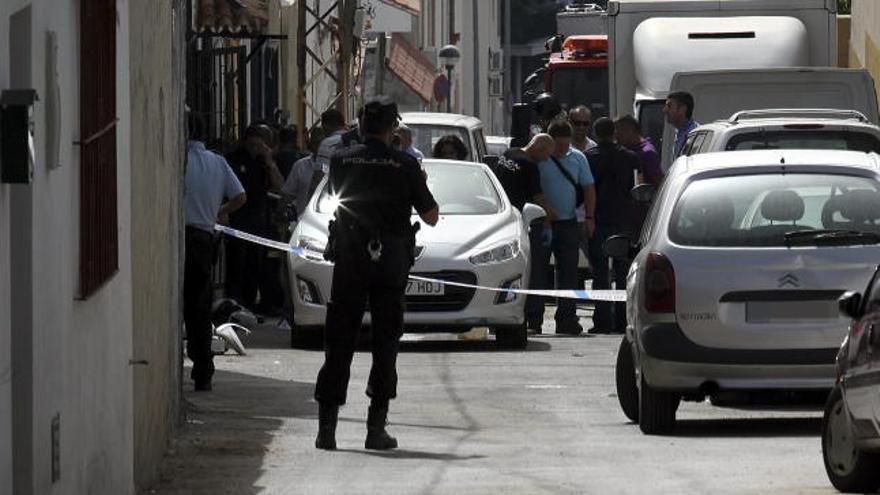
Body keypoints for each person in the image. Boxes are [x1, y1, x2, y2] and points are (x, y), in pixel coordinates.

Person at [314, 96, 439, 451]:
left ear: (360, 124)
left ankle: (327, 430)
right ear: (392, 127)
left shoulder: (341, 159)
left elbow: (334, 197)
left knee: (339, 340)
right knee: (385, 342)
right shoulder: (405, 164)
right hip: (390, 260)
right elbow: (430, 215)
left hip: (351, 257)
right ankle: (375, 428)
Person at [184, 113, 246, 391]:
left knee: (177, 304)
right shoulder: (217, 162)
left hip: (181, 235)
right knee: (199, 307)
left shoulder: (179, 161)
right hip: (204, 237)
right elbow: (240, 196)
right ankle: (203, 371)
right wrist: (219, 212)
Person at [526, 121, 597, 335]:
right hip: (541, 224)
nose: (562, 150)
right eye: (558, 146)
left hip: (568, 224)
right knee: (537, 272)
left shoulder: (578, 158)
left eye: (566, 146)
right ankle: (533, 319)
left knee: (569, 273)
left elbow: (588, 188)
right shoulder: (537, 160)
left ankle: (567, 319)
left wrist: (590, 217)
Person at [585, 117, 643, 334]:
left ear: (596, 134)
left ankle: (602, 322)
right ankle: (622, 321)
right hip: (623, 221)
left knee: (600, 273)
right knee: (623, 273)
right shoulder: (631, 158)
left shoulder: (589, 158)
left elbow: (584, 189)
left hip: (599, 220)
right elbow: (638, 189)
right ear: (614, 133)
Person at [224, 124, 285, 310]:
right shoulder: (233, 158)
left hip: (258, 220)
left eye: (259, 146)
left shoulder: (264, 161)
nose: (255, 149)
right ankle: (234, 302)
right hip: (237, 218)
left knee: (254, 263)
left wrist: (269, 162)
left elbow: (279, 187)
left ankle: (249, 303)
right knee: (236, 263)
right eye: (252, 145)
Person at [282, 125, 326, 218]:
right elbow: (288, 194)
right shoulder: (300, 166)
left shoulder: (335, 166)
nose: (318, 146)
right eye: (315, 142)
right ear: (311, 143)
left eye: (321, 143)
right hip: (303, 219)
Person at [614, 114, 663, 185]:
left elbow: (659, 182)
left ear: (630, 130)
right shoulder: (626, 148)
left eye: (618, 133)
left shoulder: (647, 153)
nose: (616, 137)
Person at [310, 108, 348, 191]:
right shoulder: (354, 140)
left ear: (325, 126)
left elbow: (320, 174)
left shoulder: (327, 143)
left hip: (332, 195)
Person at [665, 91, 699, 159]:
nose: (664, 110)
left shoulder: (694, 134)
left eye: (669, 106)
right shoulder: (680, 132)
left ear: (682, 109)